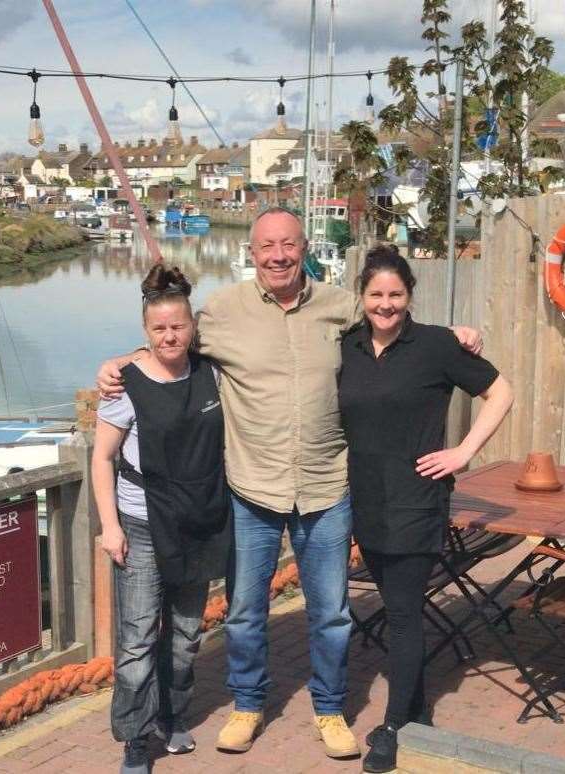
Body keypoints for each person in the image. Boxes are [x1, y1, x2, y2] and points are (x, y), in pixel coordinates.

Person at [96, 208, 483, 762]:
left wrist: (455, 335)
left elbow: (393, 317)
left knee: (331, 613)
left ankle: (330, 710)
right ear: (252, 253)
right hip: (252, 489)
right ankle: (248, 704)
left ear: (304, 248)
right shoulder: (223, 312)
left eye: (288, 245)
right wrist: (122, 361)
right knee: (245, 612)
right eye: (267, 246)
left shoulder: (340, 307)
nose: (278, 255)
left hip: (327, 487)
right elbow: (169, 338)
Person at [338, 246, 513, 774]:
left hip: (417, 500)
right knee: (394, 609)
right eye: (376, 295)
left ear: (409, 295)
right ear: (362, 297)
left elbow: (501, 391)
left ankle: (393, 727)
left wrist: (464, 452)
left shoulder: (436, 345)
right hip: (366, 501)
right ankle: (413, 711)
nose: (385, 305)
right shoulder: (346, 347)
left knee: (403, 615)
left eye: (395, 294)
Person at [91, 264, 232, 774]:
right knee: (136, 640)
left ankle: (171, 716)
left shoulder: (212, 371)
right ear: (146, 333)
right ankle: (134, 736)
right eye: (159, 328)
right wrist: (110, 526)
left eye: (179, 326)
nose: (170, 336)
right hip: (142, 524)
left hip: (199, 523)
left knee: (186, 632)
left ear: (193, 327)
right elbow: (102, 458)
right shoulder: (124, 384)